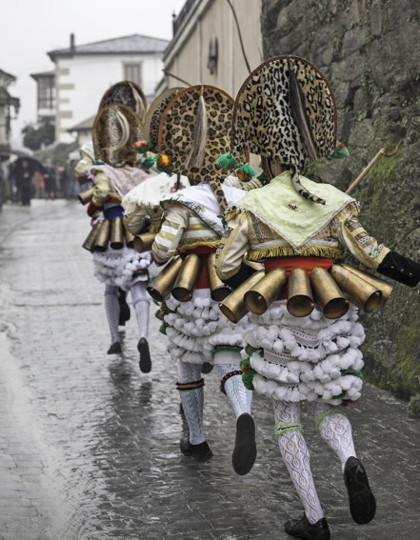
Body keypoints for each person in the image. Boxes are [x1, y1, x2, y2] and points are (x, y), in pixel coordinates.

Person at [215, 55, 420, 539]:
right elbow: (374, 255)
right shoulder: (334, 200)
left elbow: (224, 266)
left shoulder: (252, 205)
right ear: (307, 152)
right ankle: (350, 460)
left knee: (287, 416)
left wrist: (259, 270)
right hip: (330, 318)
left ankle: (314, 519)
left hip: (278, 316)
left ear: (267, 156)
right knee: (329, 404)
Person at [149, 85, 260, 474]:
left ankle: (196, 440)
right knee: (230, 358)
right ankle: (242, 414)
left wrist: (163, 247)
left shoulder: (185, 201)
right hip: (232, 290)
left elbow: (162, 251)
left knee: (189, 365)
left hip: (191, 292)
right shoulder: (241, 194)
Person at [81, 102, 154, 371]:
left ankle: (114, 338)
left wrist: (99, 197)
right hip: (136, 230)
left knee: (111, 286)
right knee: (138, 285)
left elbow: (98, 197)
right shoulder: (142, 174)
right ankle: (144, 335)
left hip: (110, 231)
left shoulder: (104, 172)